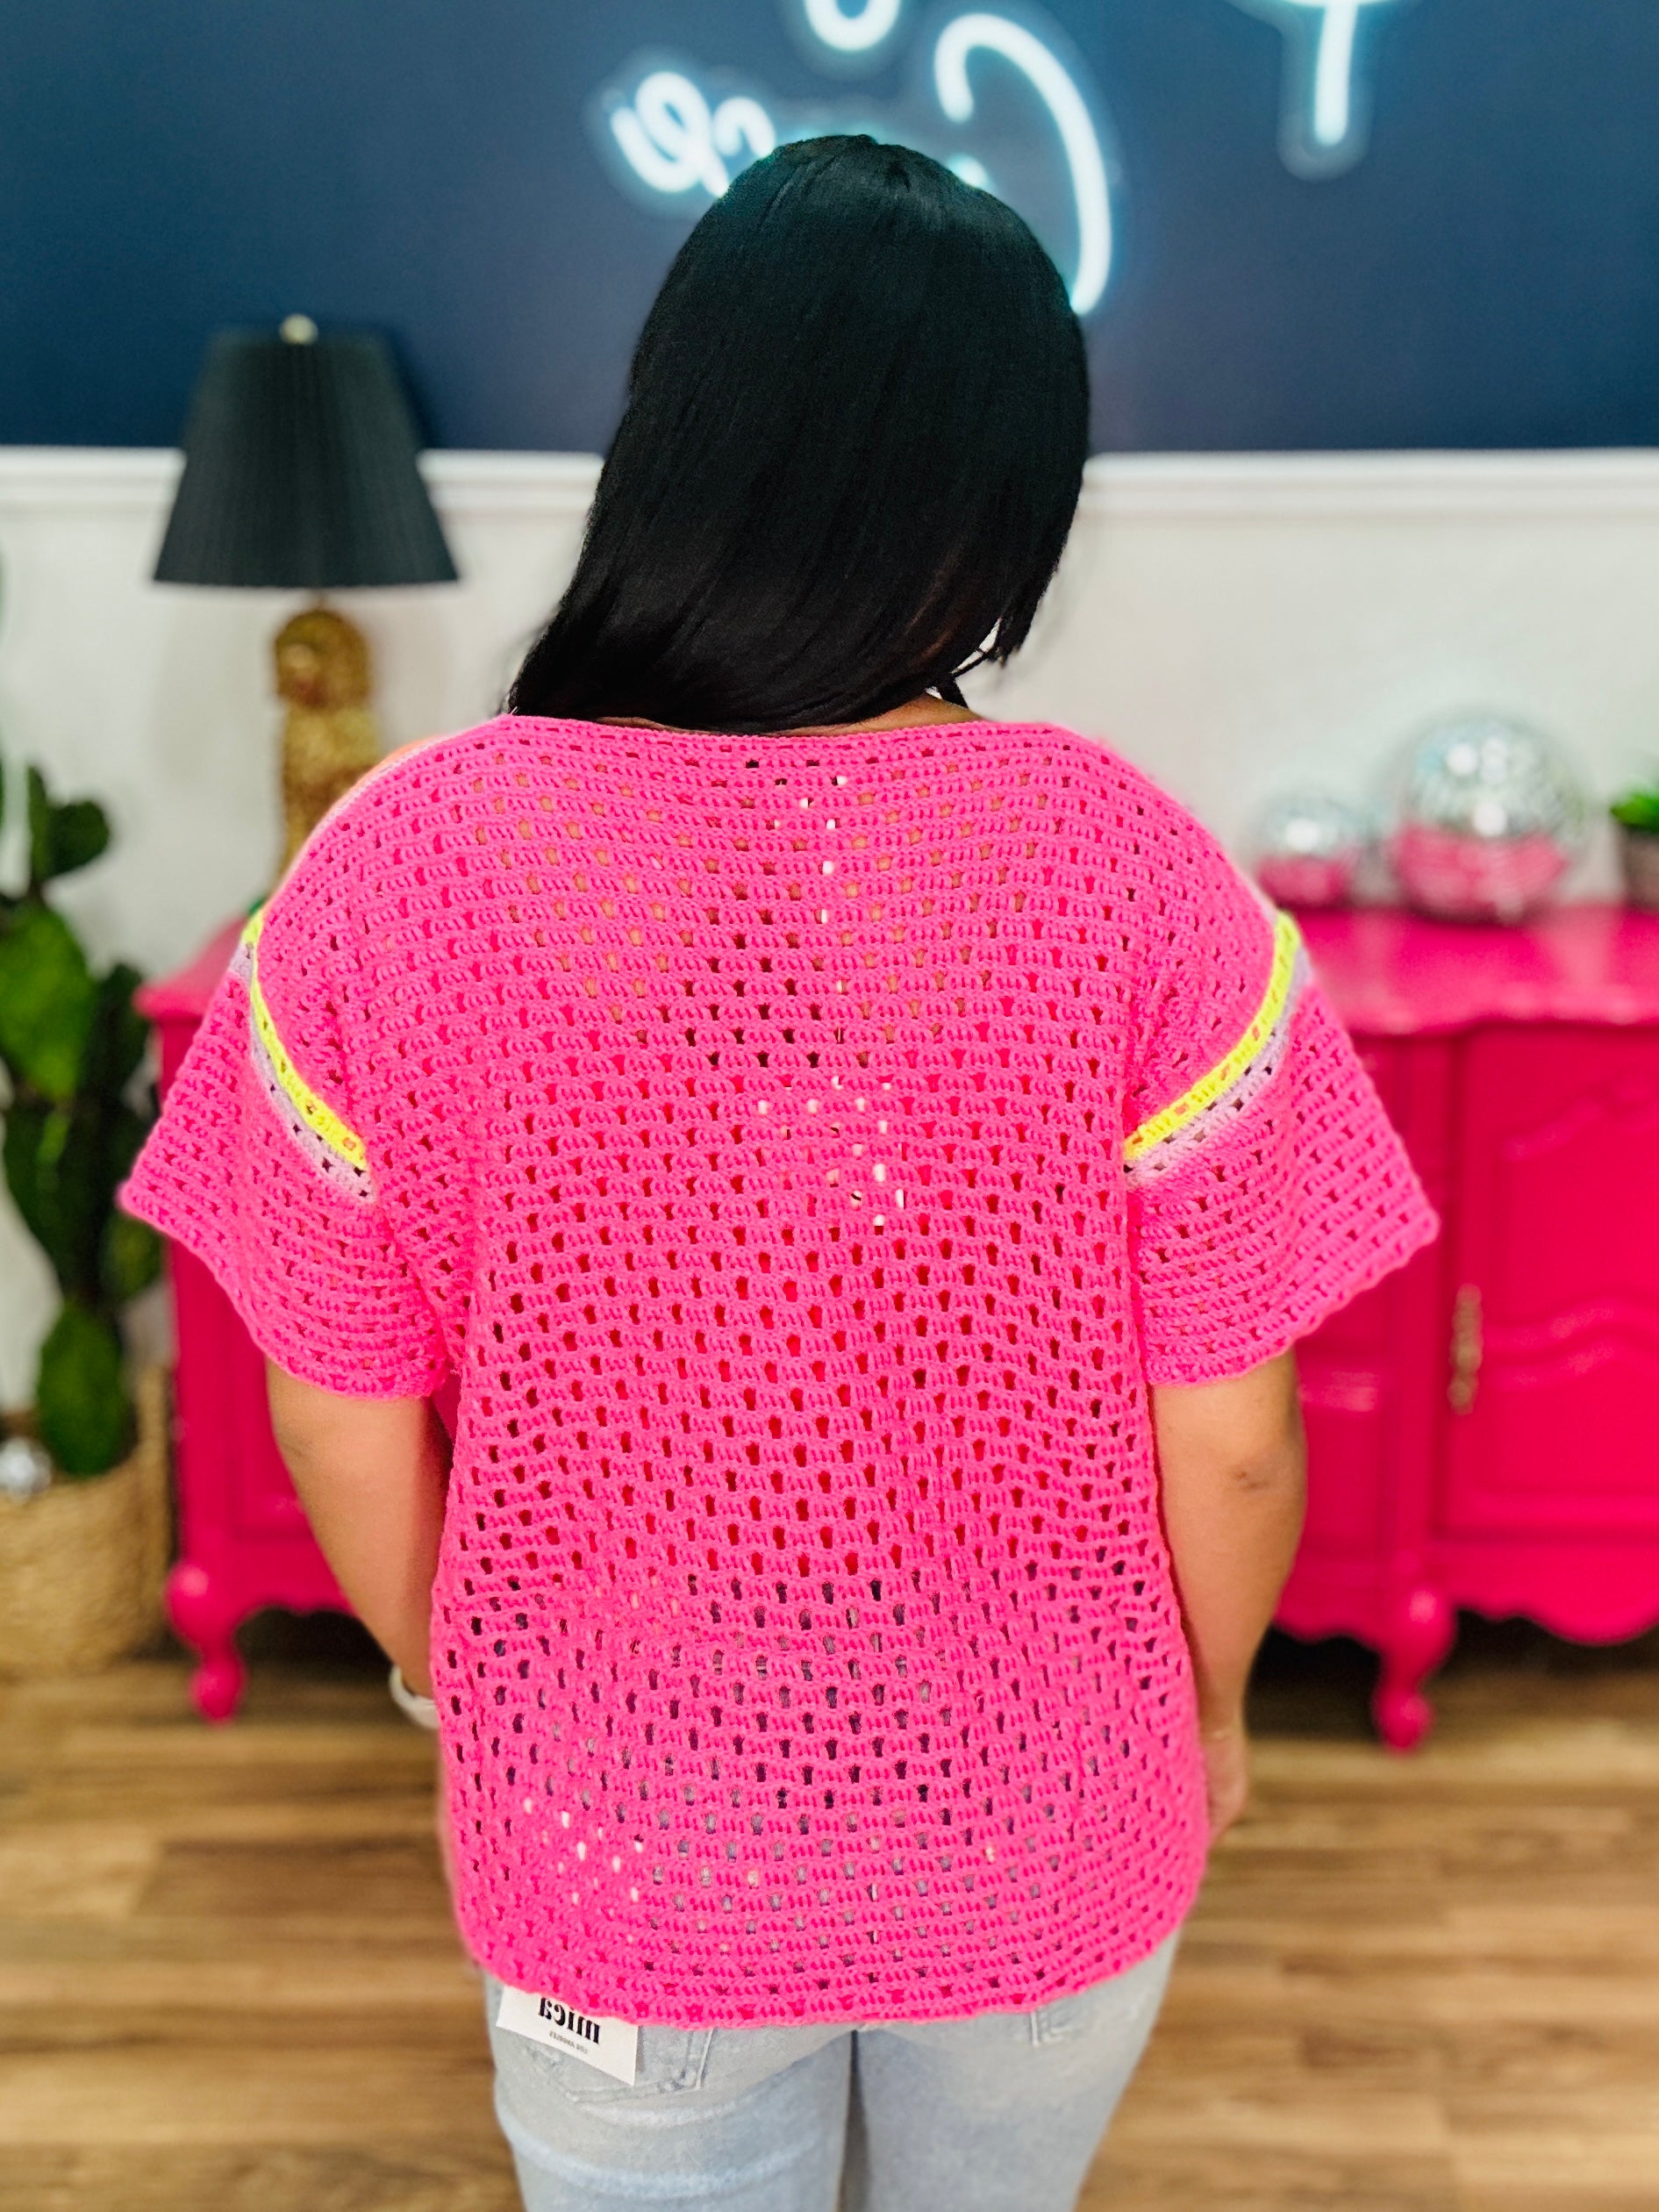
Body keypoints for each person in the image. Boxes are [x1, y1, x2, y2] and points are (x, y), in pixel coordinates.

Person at [123, 136, 1435, 2212]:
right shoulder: (1131, 869)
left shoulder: (388, 867)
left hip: (611, 1830)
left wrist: (462, 1684)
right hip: (1049, 1806)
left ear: (672, 435)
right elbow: (1238, 1440)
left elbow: (333, 1413)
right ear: (1005, 503)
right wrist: (1205, 1713)